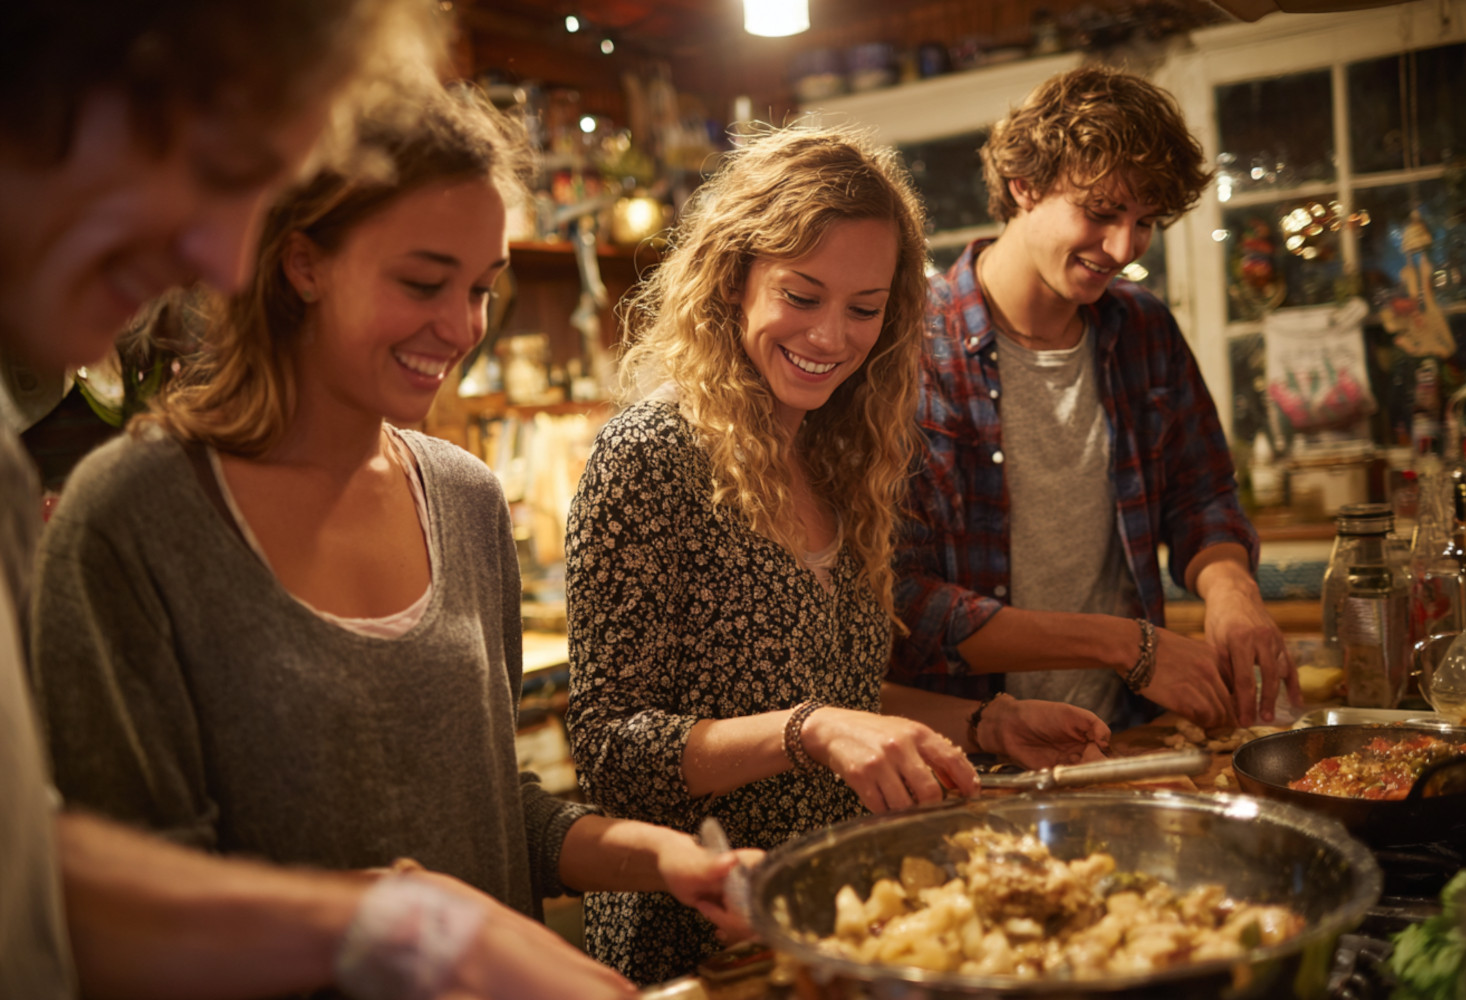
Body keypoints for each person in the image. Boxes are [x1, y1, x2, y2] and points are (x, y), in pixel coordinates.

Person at [0, 3, 719, 998]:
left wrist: (665, 858)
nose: (462, 325)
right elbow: (105, 898)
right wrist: (403, 926)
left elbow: (489, 812)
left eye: (484, 289)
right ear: (302, 262)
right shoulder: (132, 514)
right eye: (426, 280)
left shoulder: (462, 497)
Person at [565, 124, 1114, 985]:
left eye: (864, 309)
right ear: (733, 277)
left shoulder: (843, 455)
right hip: (704, 941)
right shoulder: (652, 455)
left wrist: (985, 723)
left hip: (842, 921)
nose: (831, 336)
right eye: (802, 294)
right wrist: (808, 731)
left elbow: (837, 695)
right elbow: (610, 753)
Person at [891, 65, 1301, 732]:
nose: (1123, 248)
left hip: (1125, 734)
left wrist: (1232, 589)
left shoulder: (1143, 329)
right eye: (1102, 212)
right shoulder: (909, 351)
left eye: (1146, 221)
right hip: (968, 748)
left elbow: (1201, 496)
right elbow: (902, 601)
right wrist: (1127, 647)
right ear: (1024, 185)